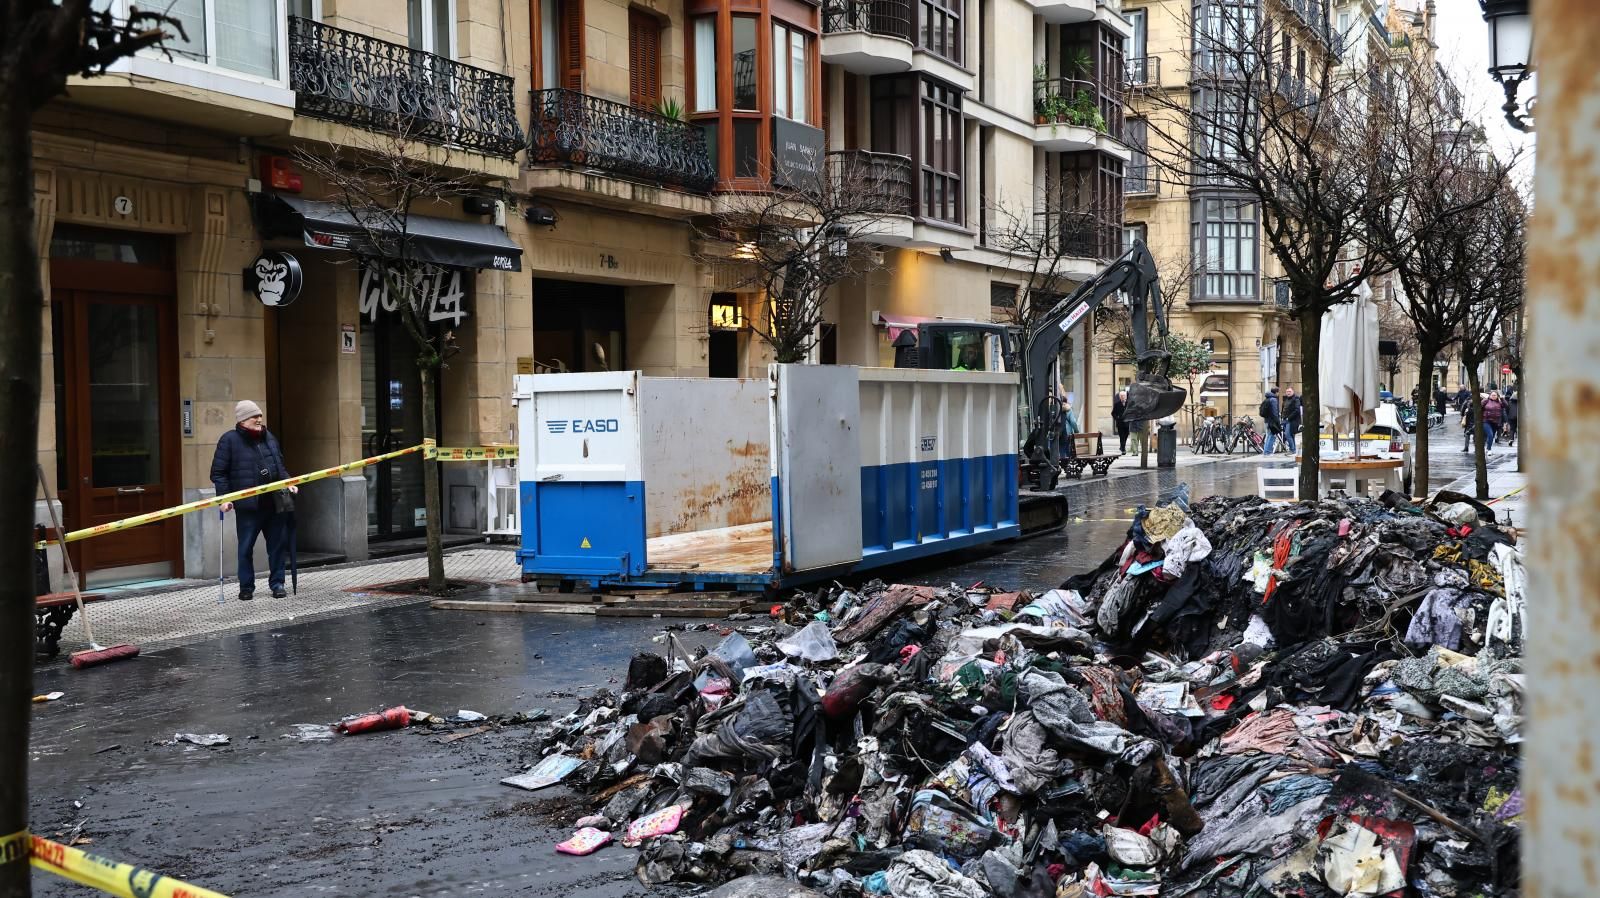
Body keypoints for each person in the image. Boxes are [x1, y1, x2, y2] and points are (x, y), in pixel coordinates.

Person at [210, 400, 297, 600]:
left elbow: (280, 466)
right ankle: (246, 588)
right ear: (242, 420)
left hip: (274, 503)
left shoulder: (269, 437)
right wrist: (224, 499)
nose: (259, 419)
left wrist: (288, 482)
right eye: (254, 416)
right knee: (245, 548)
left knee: (277, 546)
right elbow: (219, 473)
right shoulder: (229, 440)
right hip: (249, 506)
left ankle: (277, 584)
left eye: (259, 416)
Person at [1259, 387, 1283, 455]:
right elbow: (1274, 412)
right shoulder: (1273, 400)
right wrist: (1277, 422)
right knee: (1272, 436)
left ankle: (1266, 451)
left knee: (1269, 436)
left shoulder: (1267, 399)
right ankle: (1268, 452)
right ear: (1277, 392)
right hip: (1272, 421)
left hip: (1267, 421)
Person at [1281, 387, 1302, 454]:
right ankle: (1293, 450)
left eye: (1290, 391)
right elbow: (1284, 409)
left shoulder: (1296, 399)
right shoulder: (1286, 399)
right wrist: (1282, 417)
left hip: (1292, 420)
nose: (1288, 393)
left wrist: (1288, 418)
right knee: (1291, 435)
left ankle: (1292, 449)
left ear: (1293, 391)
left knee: (1287, 434)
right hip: (1285, 420)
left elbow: (1297, 410)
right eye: (1287, 391)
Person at [1112, 389, 1130, 453]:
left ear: (1126, 397)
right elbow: (1113, 413)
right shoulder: (1117, 404)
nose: (1123, 397)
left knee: (1126, 435)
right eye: (1121, 396)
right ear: (1120, 397)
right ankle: (1123, 449)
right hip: (1120, 423)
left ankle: (1122, 446)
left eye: (1124, 396)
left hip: (1127, 423)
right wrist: (1117, 418)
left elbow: (1131, 412)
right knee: (1122, 436)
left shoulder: (1129, 404)